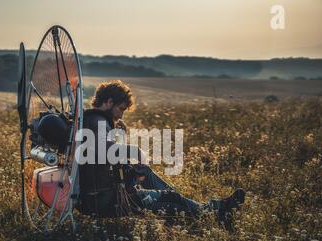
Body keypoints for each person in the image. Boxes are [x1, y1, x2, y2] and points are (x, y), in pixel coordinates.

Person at [78, 80, 245, 230]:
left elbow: (104, 160)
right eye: (121, 109)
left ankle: (214, 210)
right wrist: (133, 153)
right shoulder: (97, 123)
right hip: (108, 199)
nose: (121, 115)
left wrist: (131, 164)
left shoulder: (95, 121)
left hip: (105, 194)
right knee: (172, 205)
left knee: (151, 177)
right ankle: (215, 214)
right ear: (109, 102)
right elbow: (108, 155)